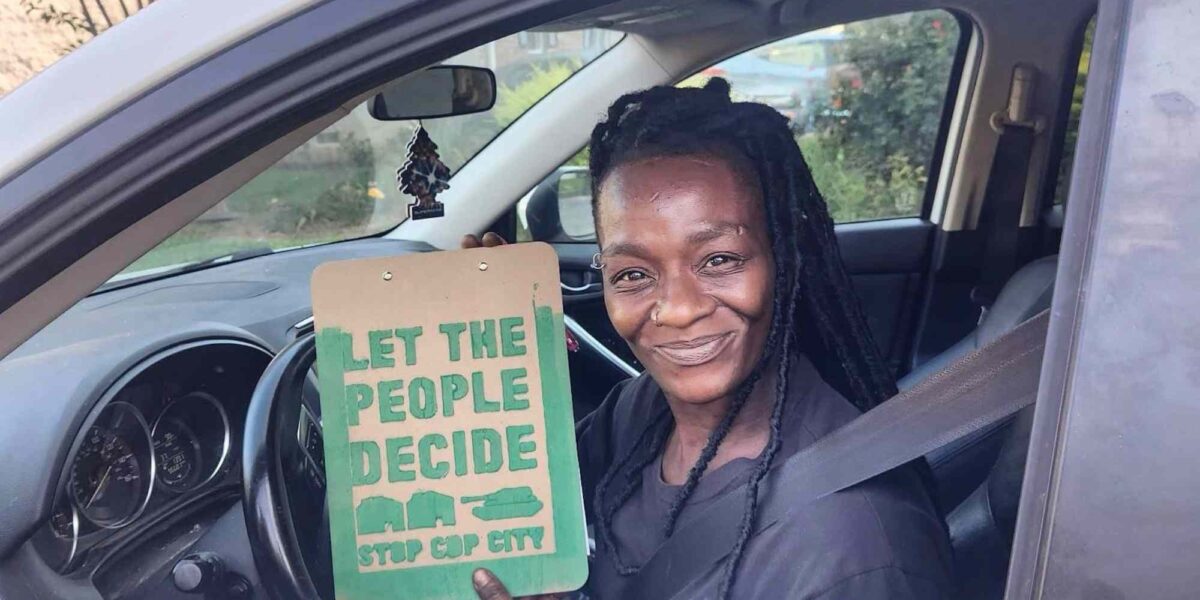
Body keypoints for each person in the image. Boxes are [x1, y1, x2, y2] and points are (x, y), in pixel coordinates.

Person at [465, 79, 954, 599]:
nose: (678, 309)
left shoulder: (852, 552)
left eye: (720, 260)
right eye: (633, 273)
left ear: (783, 260)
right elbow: (529, 502)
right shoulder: (642, 411)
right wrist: (501, 348)